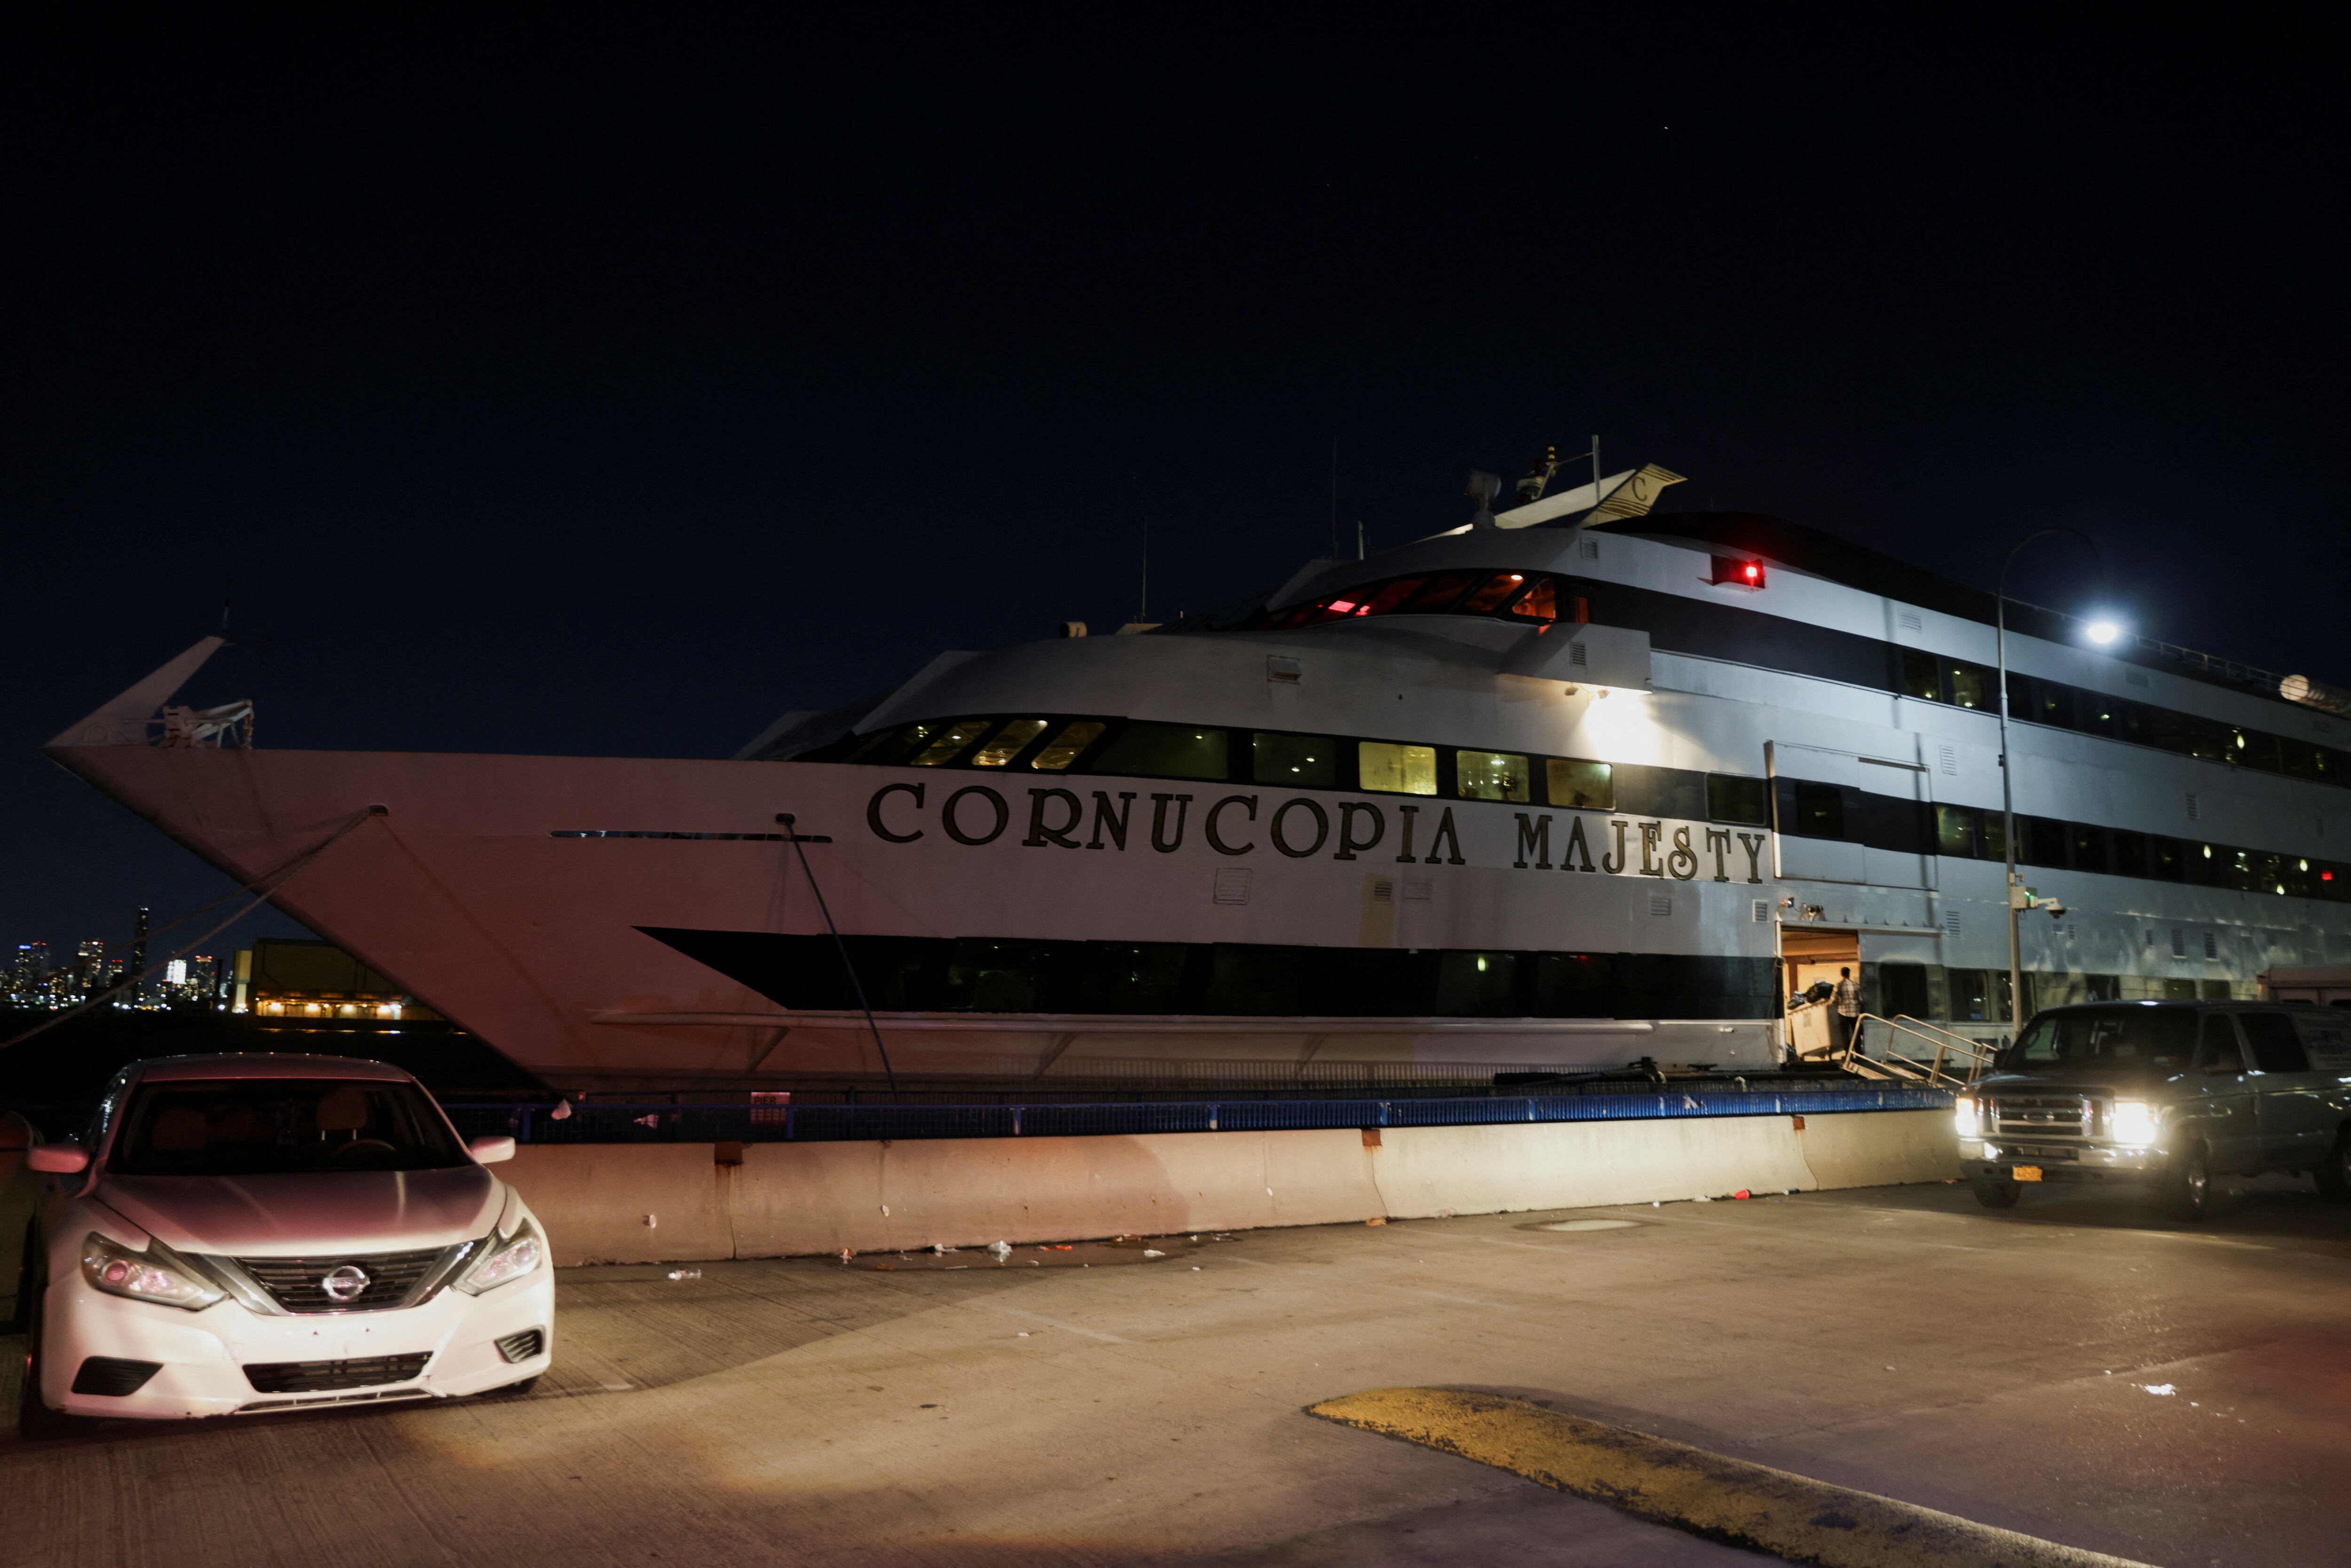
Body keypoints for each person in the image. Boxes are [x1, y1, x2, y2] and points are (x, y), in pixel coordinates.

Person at [1833, 966, 1862, 1056]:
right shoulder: (1856, 985)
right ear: (1849, 974)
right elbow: (1861, 999)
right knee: (1856, 1032)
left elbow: (1834, 999)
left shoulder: (1839, 985)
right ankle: (1858, 1052)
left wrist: (1835, 1005)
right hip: (1855, 1012)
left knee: (1845, 1033)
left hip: (1843, 1012)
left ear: (1841, 974)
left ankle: (1848, 1053)